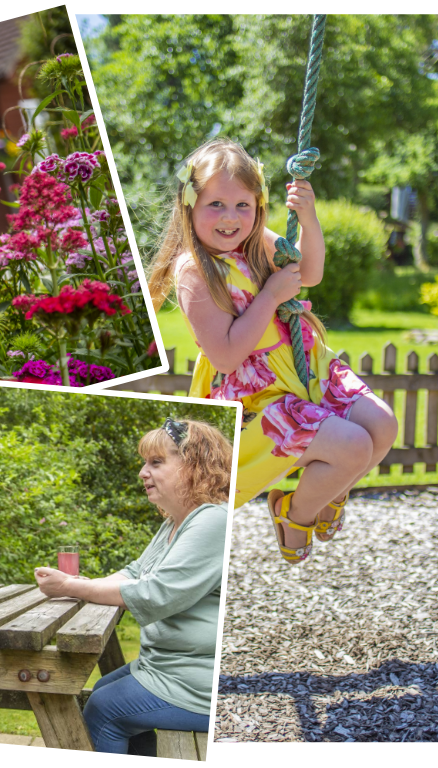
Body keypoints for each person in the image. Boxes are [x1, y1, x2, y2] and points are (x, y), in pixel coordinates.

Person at [147, 138, 397, 563]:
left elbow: (310, 273)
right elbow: (226, 357)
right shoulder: (194, 270)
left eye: (243, 205)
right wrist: (272, 296)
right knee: (354, 446)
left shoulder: (257, 241)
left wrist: (308, 217)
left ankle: (328, 490)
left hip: (307, 367)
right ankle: (293, 512)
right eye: (216, 205)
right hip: (262, 395)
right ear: (190, 206)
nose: (231, 218)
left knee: (384, 427)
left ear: (258, 205)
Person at [34, 418, 229, 755]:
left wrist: (75, 588)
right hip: (166, 666)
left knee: (104, 709)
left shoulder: (213, 520)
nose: (142, 472)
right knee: (101, 690)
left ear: (194, 466)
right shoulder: (177, 521)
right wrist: (81, 584)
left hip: (198, 682)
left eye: (156, 462)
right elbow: (135, 571)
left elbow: (155, 593)